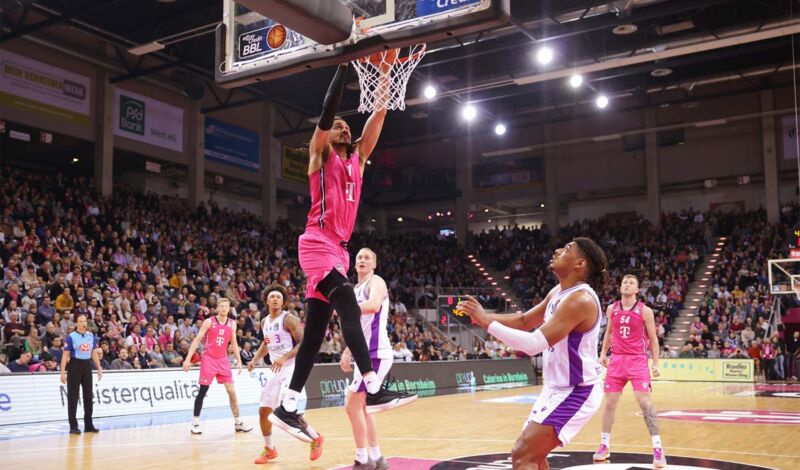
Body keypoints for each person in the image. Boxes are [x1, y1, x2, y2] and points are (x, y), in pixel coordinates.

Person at [270, 61, 397, 442]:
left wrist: (387, 73)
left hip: (339, 249)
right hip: (316, 241)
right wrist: (344, 67)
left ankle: (288, 406)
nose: (343, 126)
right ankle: (372, 386)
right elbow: (327, 110)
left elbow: (379, 113)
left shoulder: (357, 158)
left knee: (313, 334)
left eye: (346, 125)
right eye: (338, 125)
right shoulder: (320, 156)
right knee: (347, 301)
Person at [459, 237, 608, 470]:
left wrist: (487, 323)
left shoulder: (580, 299)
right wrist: (481, 317)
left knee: (522, 455)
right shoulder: (558, 292)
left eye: (567, 248)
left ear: (579, 264)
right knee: (535, 458)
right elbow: (524, 320)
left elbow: (532, 344)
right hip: (555, 387)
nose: (558, 250)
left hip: (577, 390)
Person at [341, 248, 417, 469]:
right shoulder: (355, 288)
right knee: (364, 408)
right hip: (363, 354)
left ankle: (363, 458)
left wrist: (347, 310)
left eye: (367, 258)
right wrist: (347, 350)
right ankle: (375, 457)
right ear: (354, 265)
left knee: (352, 406)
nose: (362, 260)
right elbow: (357, 326)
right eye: (359, 258)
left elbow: (373, 306)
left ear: (373, 264)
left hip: (375, 353)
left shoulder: (377, 282)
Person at [594, 274, 667, 468]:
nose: (626, 285)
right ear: (620, 287)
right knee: (609, 403)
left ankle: (658, 449)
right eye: (624, 282)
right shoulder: (612, 308)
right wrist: (602, 353)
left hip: (637, 361)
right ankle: (604, 445)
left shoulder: (645, 311)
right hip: (617, 360)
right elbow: (608, 333)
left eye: (631, 283)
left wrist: (656, 363)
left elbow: (653, 339)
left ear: (637, 290)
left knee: (644, 402)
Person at [247, 286, 321, 464]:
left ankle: (316, 437)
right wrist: (255, 359)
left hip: (292, 366)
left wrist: (284, 357)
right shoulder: (264, 322)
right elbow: (267, 344)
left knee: (287, 410)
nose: (274, 299)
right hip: (276, 368)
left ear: (283, 302)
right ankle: (270, 449)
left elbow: (304, 343)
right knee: (264, 410)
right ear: (266, 300)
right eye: (271, 296)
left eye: (278, 297)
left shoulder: (289, 319)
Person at [182, 298, 252, 434]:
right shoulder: (209, 322)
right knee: (203, 391)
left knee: (231, 391)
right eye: (222, 306)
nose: (224, 308)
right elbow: (197, 340)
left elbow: (234, 343)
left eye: (226, 306)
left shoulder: (232, 324)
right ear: (217, 308)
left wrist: (238, 360)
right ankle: (195, 422)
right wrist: (187, 359)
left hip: (223, 360)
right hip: (208, 359)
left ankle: (238, 422)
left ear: (229, 308)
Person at [60, 314, 102, 434]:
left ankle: (89, 425)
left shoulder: (90, 336)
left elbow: (94, 353)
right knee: (73, 397)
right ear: (77, 324)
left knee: (88, 397)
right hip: (74, 366)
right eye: (81, 321)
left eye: (85, 321)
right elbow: (64, 356)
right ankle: (73, 426)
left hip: (86, 366)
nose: (83, 323)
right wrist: (62, 373)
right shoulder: (71, 337)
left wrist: (99, 367)